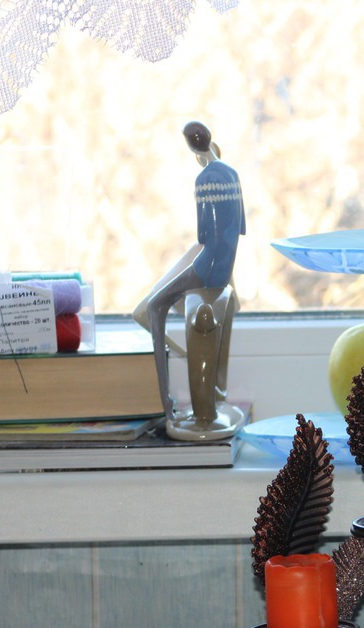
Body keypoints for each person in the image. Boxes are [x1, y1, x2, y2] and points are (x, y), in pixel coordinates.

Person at [135, 121, 246, 440]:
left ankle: (166, 403)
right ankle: (198, 379)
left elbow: (204, 235)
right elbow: (238, 229)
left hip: (208, 267)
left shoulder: (204, 179)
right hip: (224, 265)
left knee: (155, 305)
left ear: (192, 147)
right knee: (175, 303)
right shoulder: (232, 174)